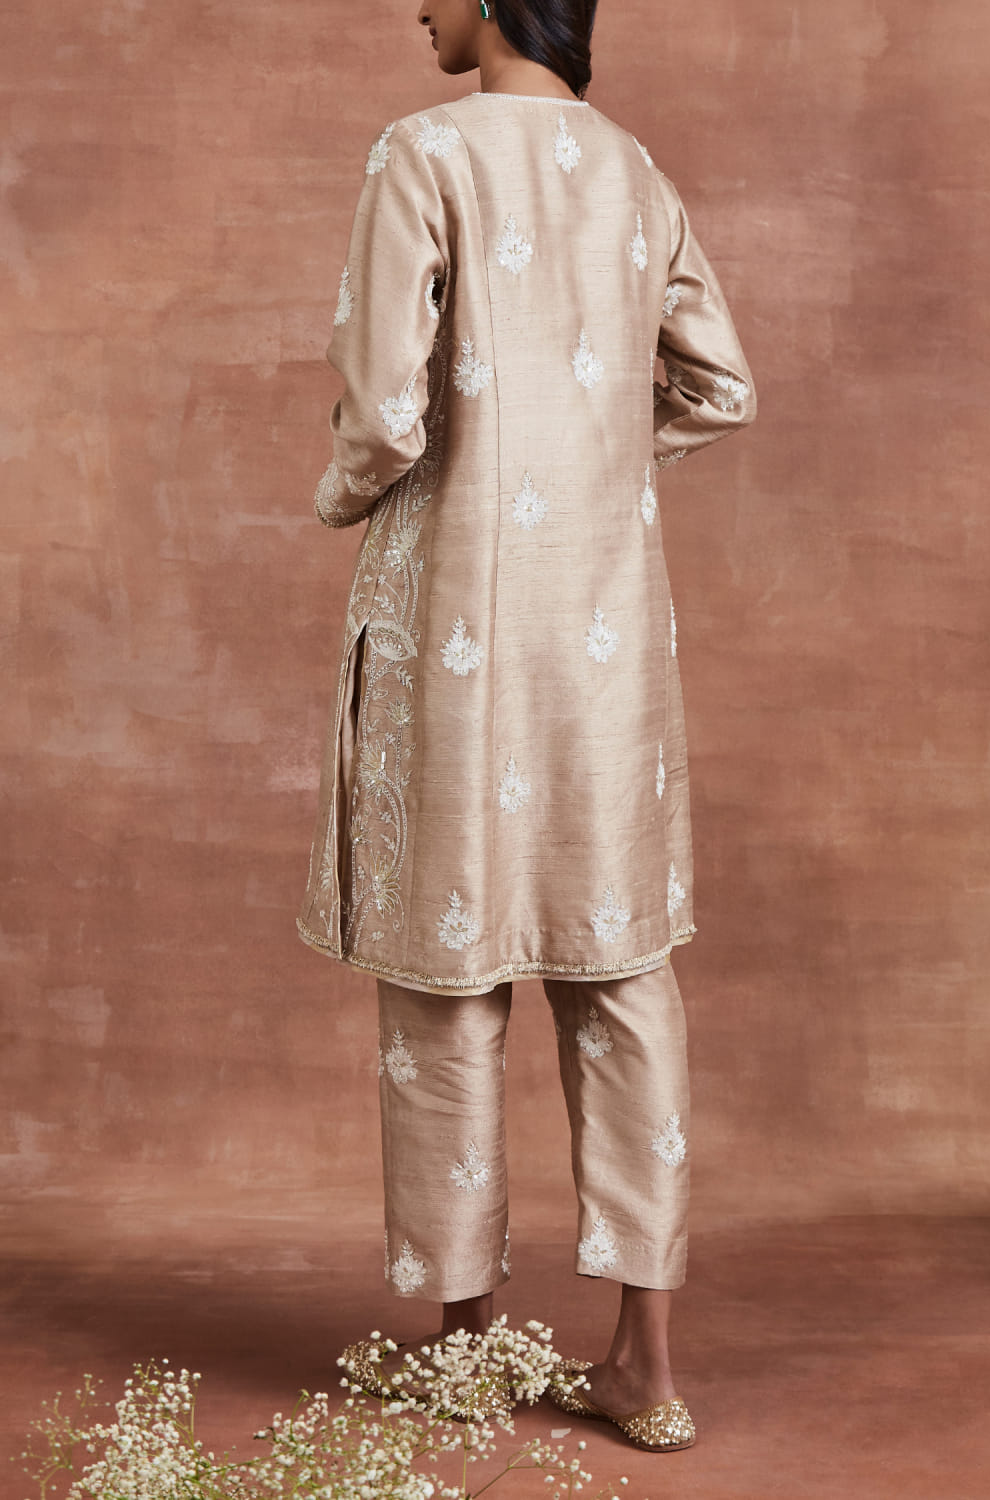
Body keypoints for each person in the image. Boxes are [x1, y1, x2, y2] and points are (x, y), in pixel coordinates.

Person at [296, 0, 756, 1452]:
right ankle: (647, 1370)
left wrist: (336, 497)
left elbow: (383, 417)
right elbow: (723, 387)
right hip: (607, 633)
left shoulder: (423, 152)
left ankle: (464, 1350)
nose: (417, 10)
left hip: (461, 621)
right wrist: (594, 442)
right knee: (619, 972)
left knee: (452, 967)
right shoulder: (637, 170)